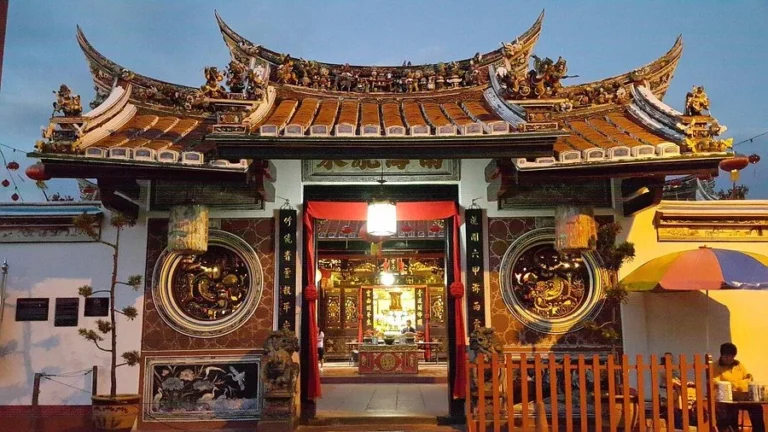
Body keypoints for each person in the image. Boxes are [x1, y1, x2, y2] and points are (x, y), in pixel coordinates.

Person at [714, 342, 765, 432]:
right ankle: (734, 429)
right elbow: (716, 382)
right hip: (726, 398)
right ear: (722, 355)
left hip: (741, 396)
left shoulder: (738, 365)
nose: (730, 359)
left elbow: (748, 378)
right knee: (731, 409)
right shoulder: (715, 366)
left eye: (732, 356)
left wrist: (735, 384)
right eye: (727, 356)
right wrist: (737, 384)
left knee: (756, 407)